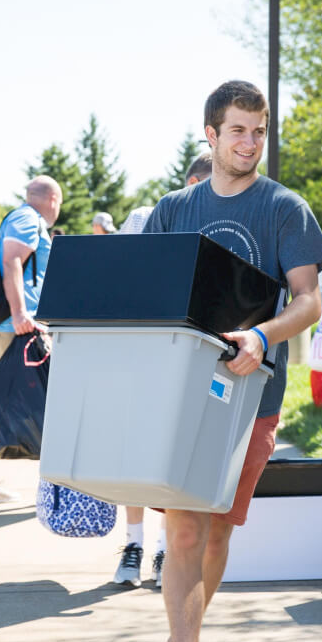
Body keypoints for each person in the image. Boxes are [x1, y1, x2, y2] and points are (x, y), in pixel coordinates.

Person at [142, 80, 322, 642]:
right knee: (184, 528)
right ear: (211, 134)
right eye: (238, 131)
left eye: (259, 132)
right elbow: (149, 294)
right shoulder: (174, 209)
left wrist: (262, 335)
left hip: (253, 397)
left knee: (218, 529)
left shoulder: (284, 208)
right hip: (181, 399)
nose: (250, 143)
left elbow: (309, 300)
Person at [113, 152, 214, 590]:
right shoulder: (143, 217)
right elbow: (118, 279)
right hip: (141, 355)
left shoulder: (219, 225)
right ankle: (133, 545)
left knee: (177, 458)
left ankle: (162, 548)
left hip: (190, 358)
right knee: (136, 456)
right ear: (193, 183)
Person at [0, 175, 63, 505]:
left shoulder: (19, 218)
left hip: (5, 324)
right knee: (48, 401)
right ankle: (54, 492)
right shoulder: (28, 218)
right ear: (53, 200)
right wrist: (21, 313)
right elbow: (12, 260)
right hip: (16, 327)